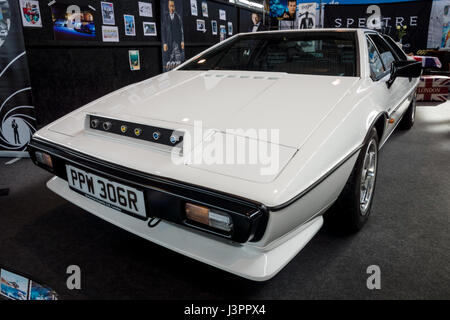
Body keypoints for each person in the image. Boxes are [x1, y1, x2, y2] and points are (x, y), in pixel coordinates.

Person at [162, 0, 184, 70]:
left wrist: (182, 41)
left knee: (178, 58)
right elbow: (164, 30)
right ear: (168, 7)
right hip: (169, 41)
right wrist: (165, 43)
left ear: (174, 7)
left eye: (173, 6)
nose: (172, 8)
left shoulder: (178, 17)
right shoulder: (165, 17)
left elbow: (181, 30)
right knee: (169, 58)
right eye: (170, 6)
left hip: (177, 41)